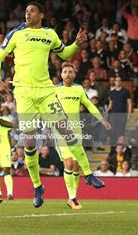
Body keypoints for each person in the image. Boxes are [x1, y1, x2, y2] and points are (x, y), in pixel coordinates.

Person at [0, 1, 91, 208]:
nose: (27, 14)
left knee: (66, 131)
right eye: (26, 11)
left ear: (41, 14)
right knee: (29, 144)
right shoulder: (16, 34)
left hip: (46, 91)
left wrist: (76, 44)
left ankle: (88, 175)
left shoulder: (50, 34)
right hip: (24, 94)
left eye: (32, 11)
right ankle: (38, 187)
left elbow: (64, 54)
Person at [54, 63, 111, 210]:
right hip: (60, 130)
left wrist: (102, 120)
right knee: (69, 163)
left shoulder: (79, 89)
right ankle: (72, 198)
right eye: (65, 71)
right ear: (61, 74)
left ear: (74, 74)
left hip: (76, 130)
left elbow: (90, 105)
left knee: (76, 165)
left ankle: (72, 197)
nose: (67, 74)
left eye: (70, 72)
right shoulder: (54, 90)